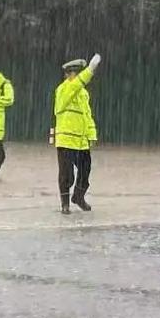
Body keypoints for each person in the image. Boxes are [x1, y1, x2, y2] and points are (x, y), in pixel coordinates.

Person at [54, 54, 101, 214]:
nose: (78, 76)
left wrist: (92, 135)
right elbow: (75, 86)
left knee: (85, 170)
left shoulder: (83, 94)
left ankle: (78, 196)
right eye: (75, 73)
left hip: (81, 141)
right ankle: (65, 203)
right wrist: (90, 70)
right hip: (66, 140)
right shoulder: (64, 89)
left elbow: (87, 115)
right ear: (67, 74)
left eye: (78, 73)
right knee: (66, 175)